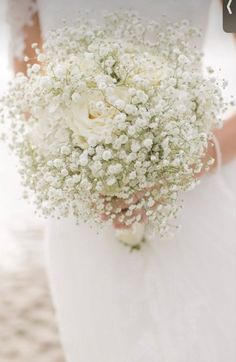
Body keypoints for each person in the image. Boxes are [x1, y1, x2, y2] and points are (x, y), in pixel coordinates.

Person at [8, 0, 236, 361]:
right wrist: (89, 155)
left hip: (193, 196)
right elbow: (29, 80)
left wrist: (184, 164)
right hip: (84, 208)